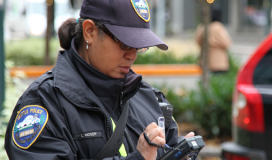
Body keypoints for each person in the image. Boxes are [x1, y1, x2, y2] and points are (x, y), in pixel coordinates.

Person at [5, 0, 194, 159]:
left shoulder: (148, 97)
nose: (133, 55)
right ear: (89, 31)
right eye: (126, 43)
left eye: (139, 47)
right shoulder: (44, 103)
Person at [196, 6, 232, 74]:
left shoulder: (202, 27)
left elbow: (198, 41)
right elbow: (227, 43)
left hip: (205, 62)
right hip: (219, 63)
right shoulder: (217, 27)